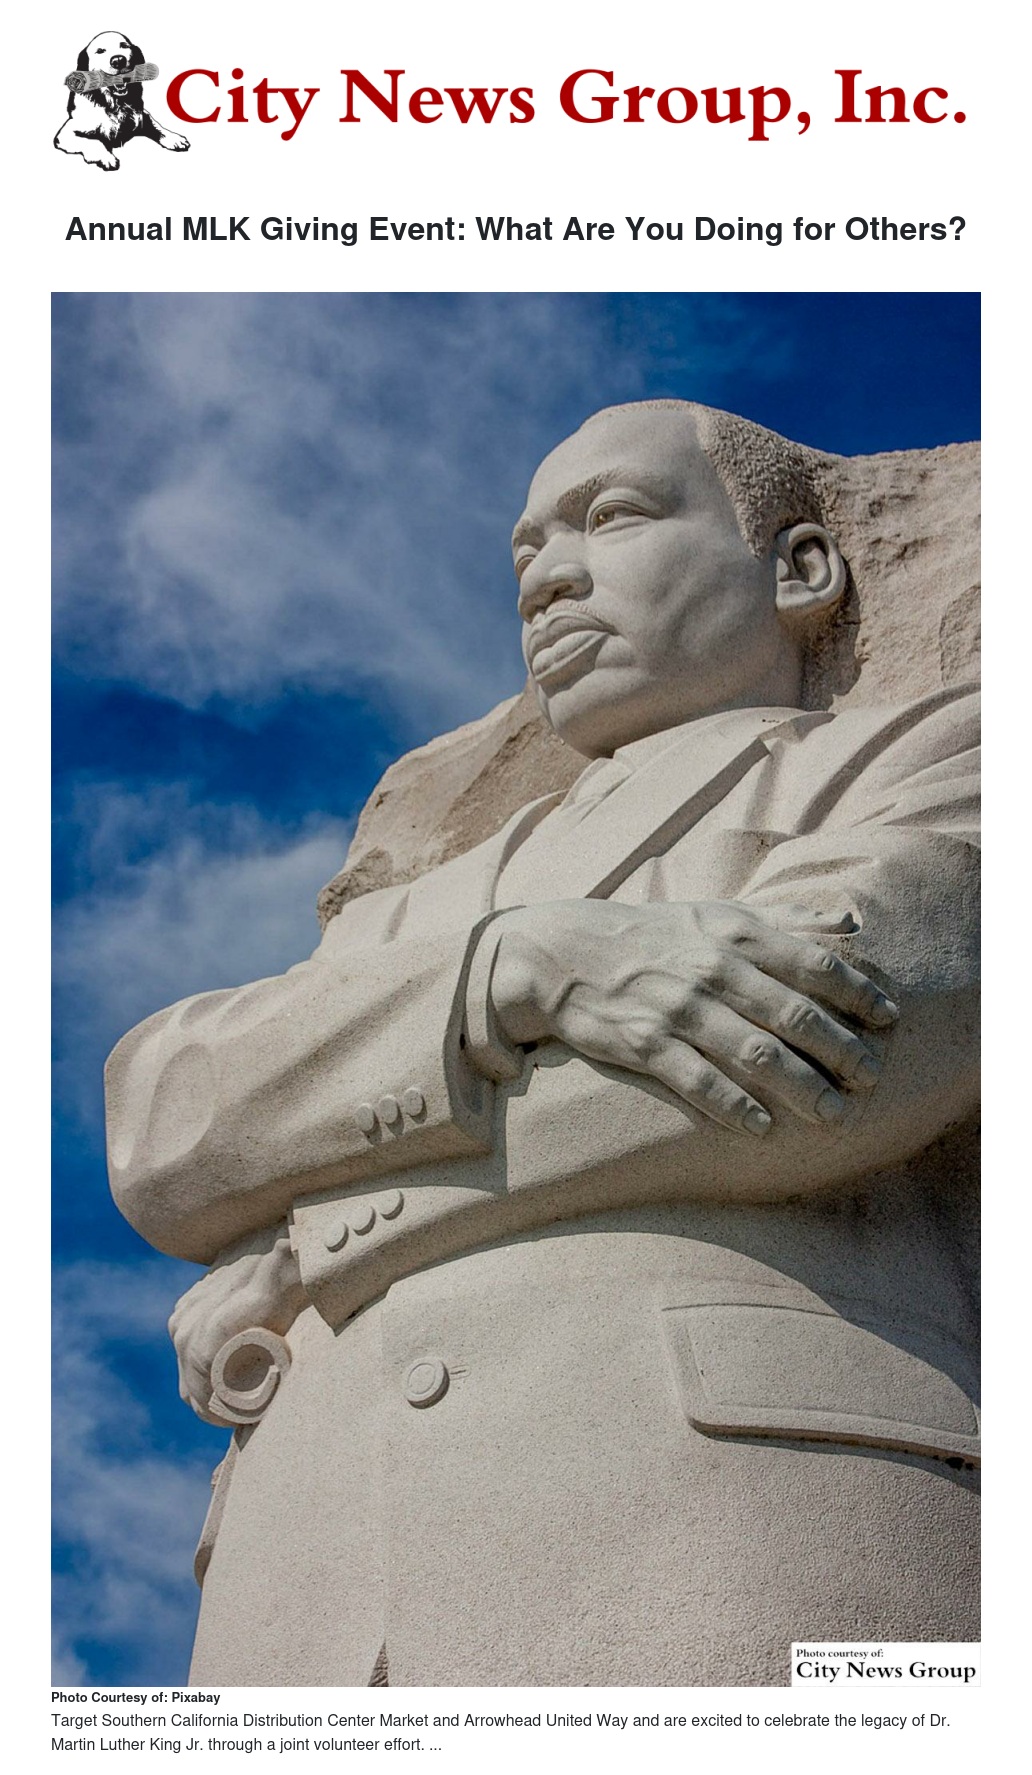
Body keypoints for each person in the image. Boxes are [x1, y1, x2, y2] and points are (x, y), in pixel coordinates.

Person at [105, 401, 979, 1686]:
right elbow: (164, 1113)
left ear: (800, 569)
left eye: (611, 518)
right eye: (526, 555)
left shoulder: (927, 752)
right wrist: (515, 965)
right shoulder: (405, 910)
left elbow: (830, 1050)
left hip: (734, 1530)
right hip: (300, 1604)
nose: (545, 580)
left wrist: (306, 1238)